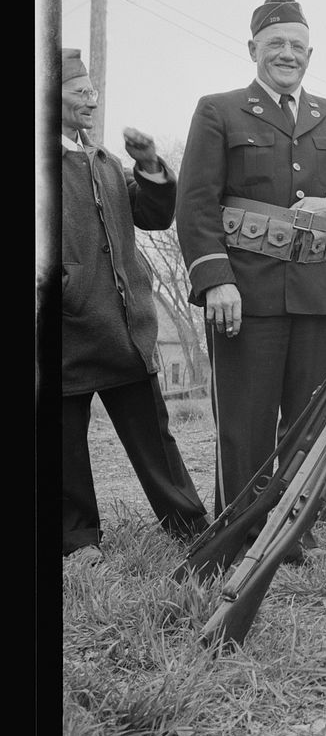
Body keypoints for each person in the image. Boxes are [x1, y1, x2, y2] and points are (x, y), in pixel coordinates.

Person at [175, 0, 326, 557]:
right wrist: (216, 279)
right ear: (252, 49)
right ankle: (240, 535)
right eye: (275, 44)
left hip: (319, 295)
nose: (286, 54)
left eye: (296, 45)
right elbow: (194, 204)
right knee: (245, 423)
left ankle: (293, 533)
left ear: (309, 54)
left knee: (308, 422)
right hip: (246, 295)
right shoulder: (219, 110)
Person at [61, 48, 209, 564]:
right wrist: (67, 288)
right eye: (80, 92)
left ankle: (189, 523)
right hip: (64, 331)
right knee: (64, 445)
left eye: (92, 92)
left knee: (154, 436)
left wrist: (148, 166)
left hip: (126, 328)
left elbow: (151, 216)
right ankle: (78, 541)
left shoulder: (103, 161)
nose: (91, 100)